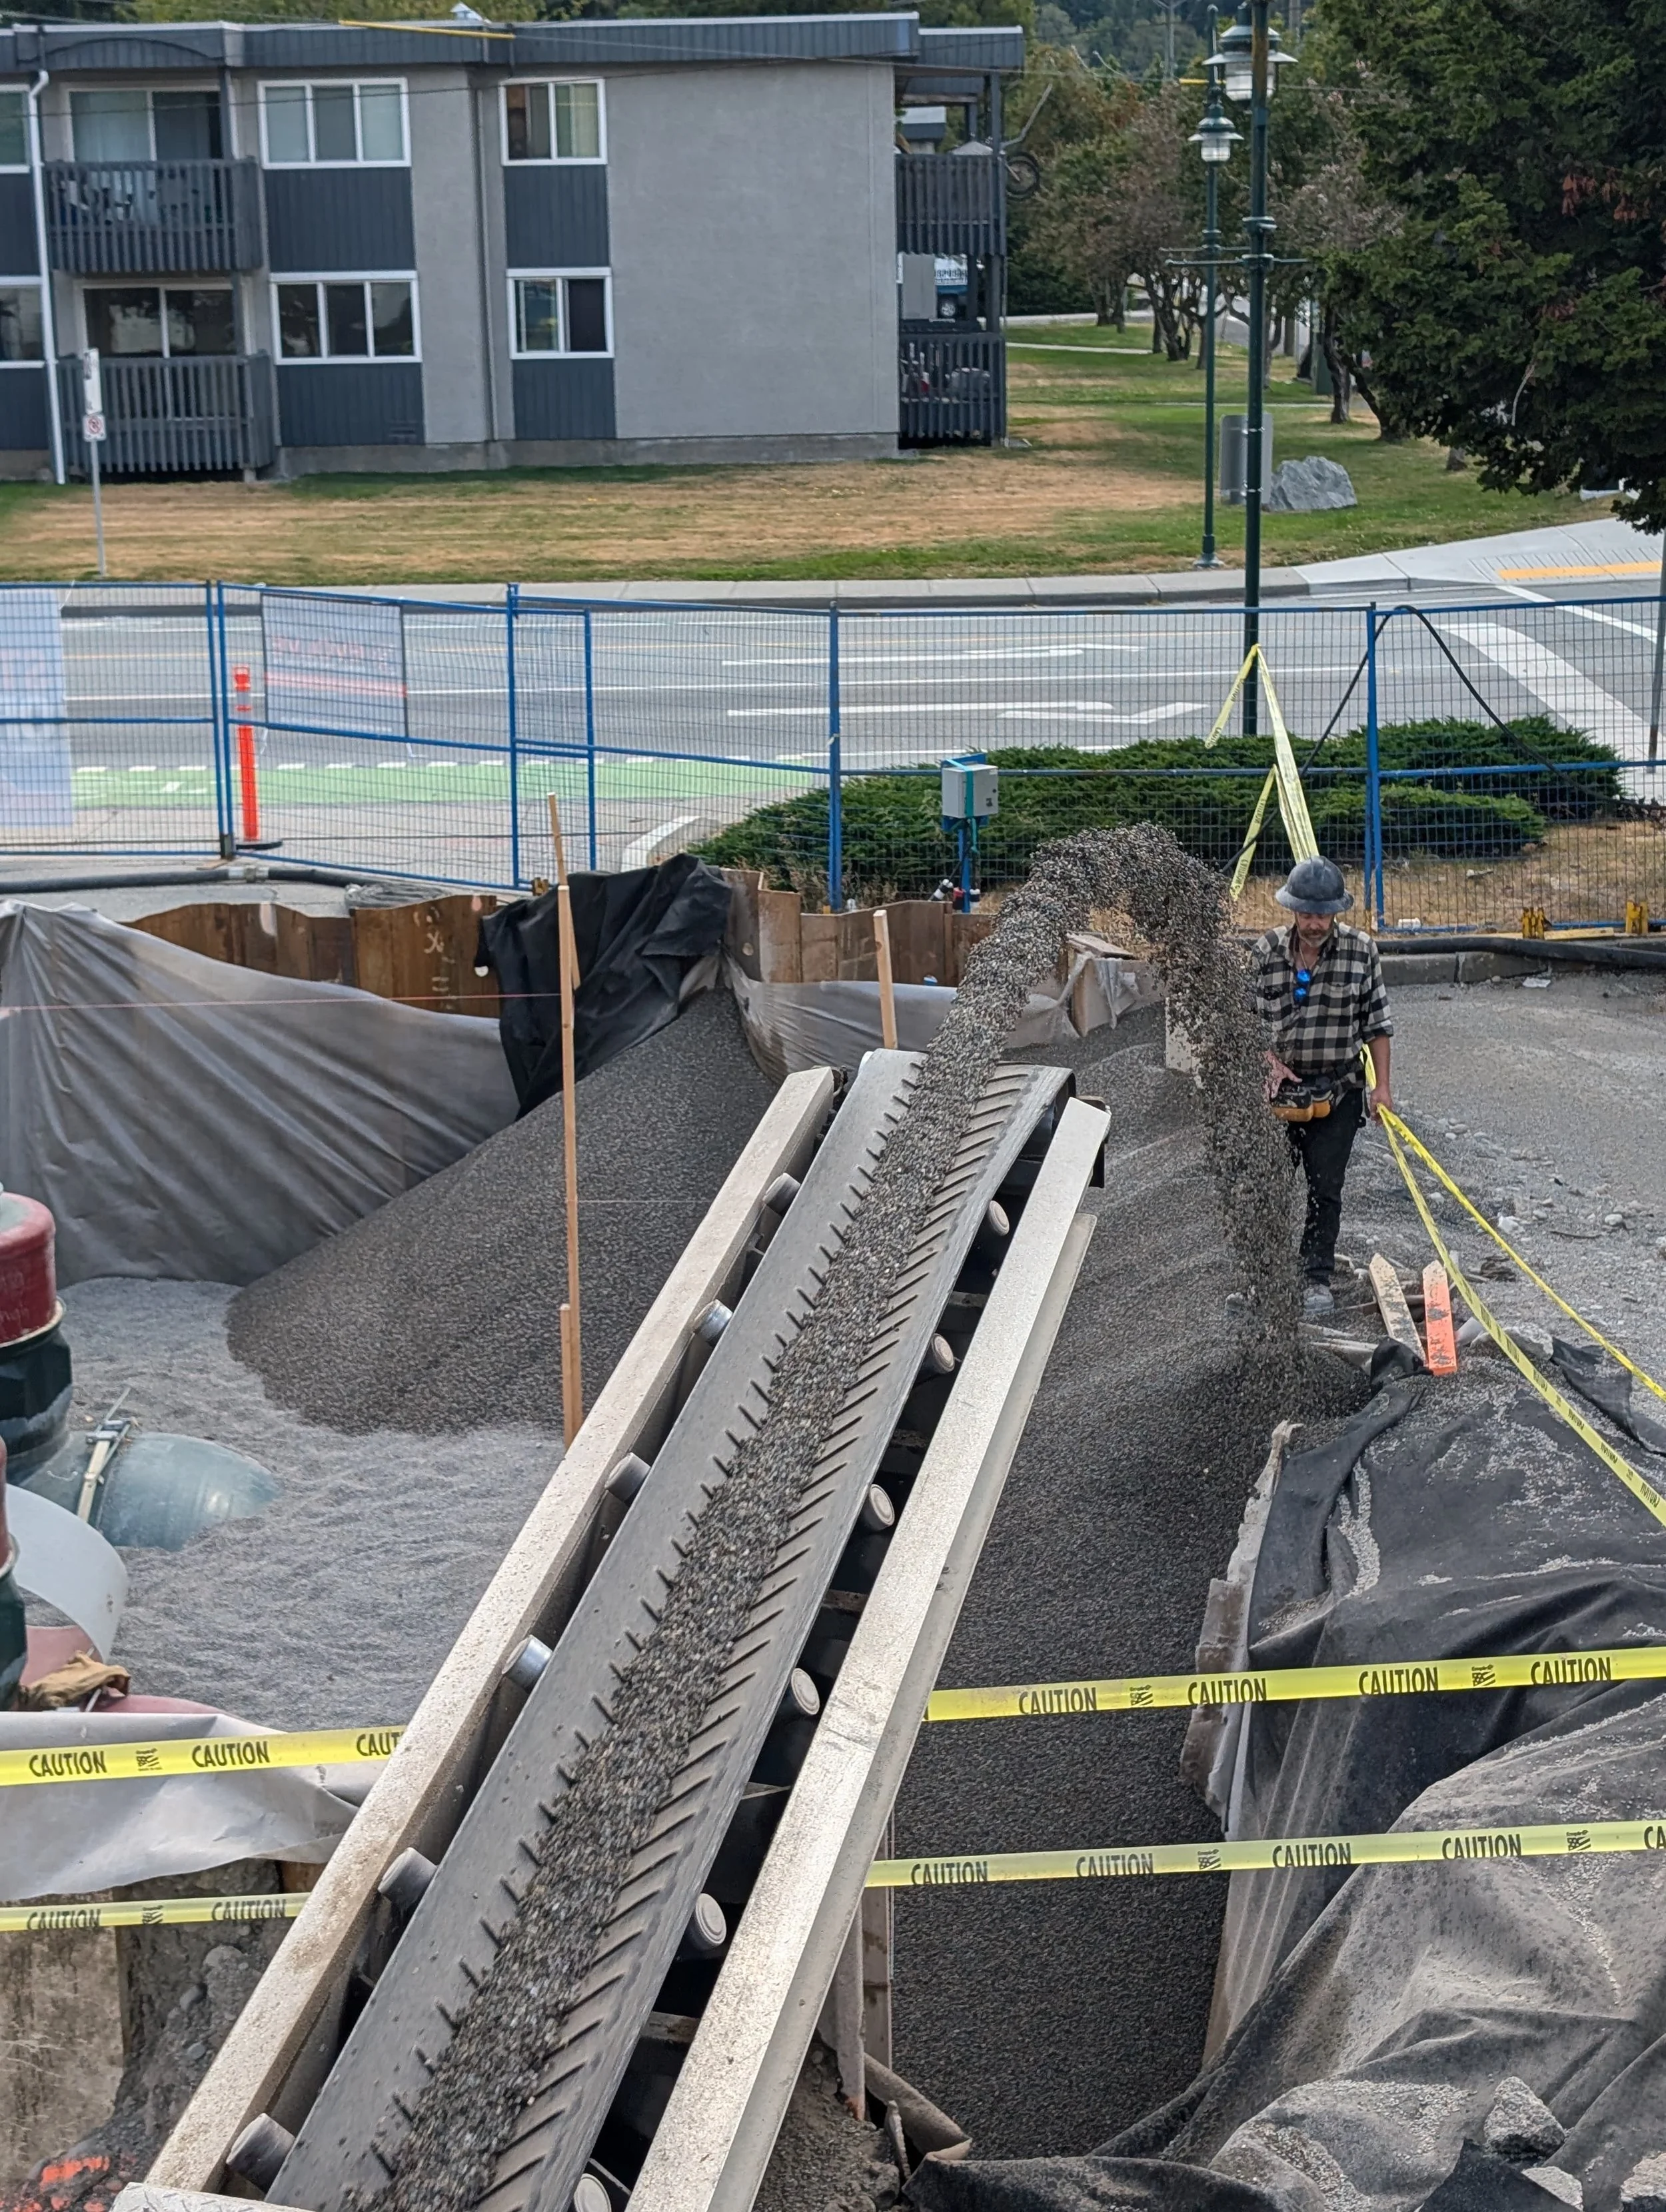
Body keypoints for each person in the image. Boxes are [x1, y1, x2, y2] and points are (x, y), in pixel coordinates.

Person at [1250, 855, 1394, 1319]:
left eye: (1322, 914)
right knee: (1267, 1187)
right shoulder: (1265, 951)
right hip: (1277, 1093)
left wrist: (1382, 1089)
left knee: (1325, 1187)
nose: (1314, 923)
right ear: (1293, 909)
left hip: (1339, 1088)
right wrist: (1267, 1059)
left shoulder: (1361, 952)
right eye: (1306, 913)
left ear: (1336, 911)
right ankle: (1265, 1278)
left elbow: (1378, 1025)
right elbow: (1240, 1022)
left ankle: (1315, 1276)